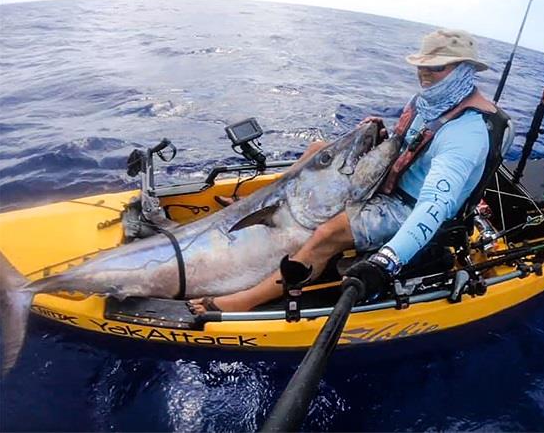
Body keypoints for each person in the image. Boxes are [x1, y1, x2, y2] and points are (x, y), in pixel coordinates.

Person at [189, 28, 497, 314]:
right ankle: (257, 206)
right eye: (422, 66)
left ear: (463, 69)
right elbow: (415, 146)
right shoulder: (432, 100)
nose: (424, 74)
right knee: (317, 150)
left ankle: (241, 301)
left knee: (329, 231)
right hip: (392, 182)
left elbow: (433, 206)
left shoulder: (465, 135)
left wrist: (387, 261)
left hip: (407, 206)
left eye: (436, 67)